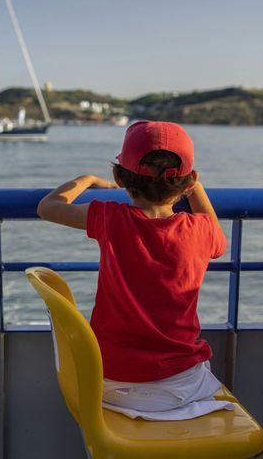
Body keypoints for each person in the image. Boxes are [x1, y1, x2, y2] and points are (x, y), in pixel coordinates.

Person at [37, 120, 232, 420]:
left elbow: (48, 207)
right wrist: (194, 185)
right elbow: (219, 243)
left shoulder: (108, 217)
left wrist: (88, 179)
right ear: (189, 182)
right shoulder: (201, 229)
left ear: (118, 176)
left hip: (110, 385)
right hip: (181, 386)